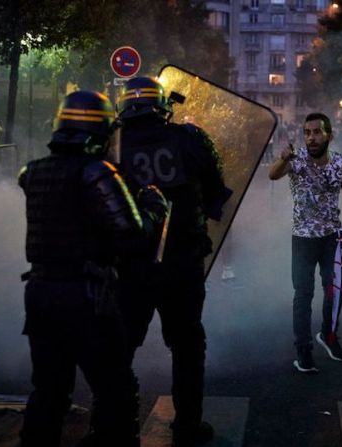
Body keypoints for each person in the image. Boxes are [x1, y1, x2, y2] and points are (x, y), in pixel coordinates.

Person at [18, 90, 168, 447]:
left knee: (49, 391)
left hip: (39, 294)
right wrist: (153, 206)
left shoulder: (32, 172)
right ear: (101, 132)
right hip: (87, 298)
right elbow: (133, 232)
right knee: (115, 387)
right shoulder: (97, 172)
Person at [115, 76, 231, 447]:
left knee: (118, 348)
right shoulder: (191, 139)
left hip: (129, 266)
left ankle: (112, 427)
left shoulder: (111, 145)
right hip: (182, 264)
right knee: (187, 346)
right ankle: (187, 426)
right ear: (162, 106)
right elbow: (216, 195)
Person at [268, 112, 342, 373]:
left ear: (329, 135)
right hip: (303, 239)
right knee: (303, 295)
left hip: (332, 237)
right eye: (307, 132)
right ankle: (304, 350)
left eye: (317, 132)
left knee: (335, 290)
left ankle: (329, 336)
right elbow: (272, 175)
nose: (311, 137)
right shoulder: (295, 162)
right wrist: (283, 158)